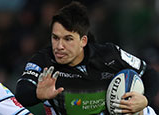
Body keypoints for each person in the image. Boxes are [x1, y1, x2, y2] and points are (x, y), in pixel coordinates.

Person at [15, 1, 158, 115]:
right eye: (55, 38)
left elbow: (150, 74)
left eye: (68, 39)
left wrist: (145, 99)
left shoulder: (109, 55)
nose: (59, 46)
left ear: (83, 41)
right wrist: (37, 94)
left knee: (145, 111)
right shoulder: (44, 61)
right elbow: (22, 92)